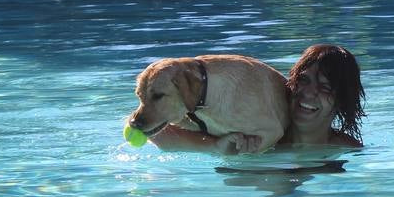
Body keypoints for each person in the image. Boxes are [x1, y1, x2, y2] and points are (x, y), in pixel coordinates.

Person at [141, 44, 366, 153]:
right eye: (304, 80)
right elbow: (157, 132)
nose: (308, 93)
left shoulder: (346, 149)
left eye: (325, 87)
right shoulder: (253, 121)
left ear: (341, 100)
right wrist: (215, 146)